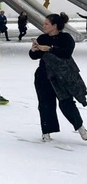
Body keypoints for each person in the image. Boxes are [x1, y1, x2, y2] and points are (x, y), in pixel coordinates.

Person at [29, 13, 87, 142]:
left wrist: (50, 49)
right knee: (45, 104)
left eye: (46, 24)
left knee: (66, 103)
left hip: (61, 76)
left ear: (54, 26)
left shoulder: (66, 38)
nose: (43, 26)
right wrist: (34, 50)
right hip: (43, 75)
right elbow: (34, 56)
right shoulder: (42, 38)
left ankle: (81, 128)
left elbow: (66, 53)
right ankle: (46, 132)